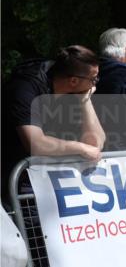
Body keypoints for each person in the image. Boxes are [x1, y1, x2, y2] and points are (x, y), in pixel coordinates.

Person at [1, 46, 106, 204]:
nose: (95, 83)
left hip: (48, 180)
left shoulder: (75, 92)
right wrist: (81, 148)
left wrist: (86, 100)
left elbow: (95, 144)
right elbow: (36, 144)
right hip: (13, 179)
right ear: (73, 81)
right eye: (93, 79)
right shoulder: (25, 88)